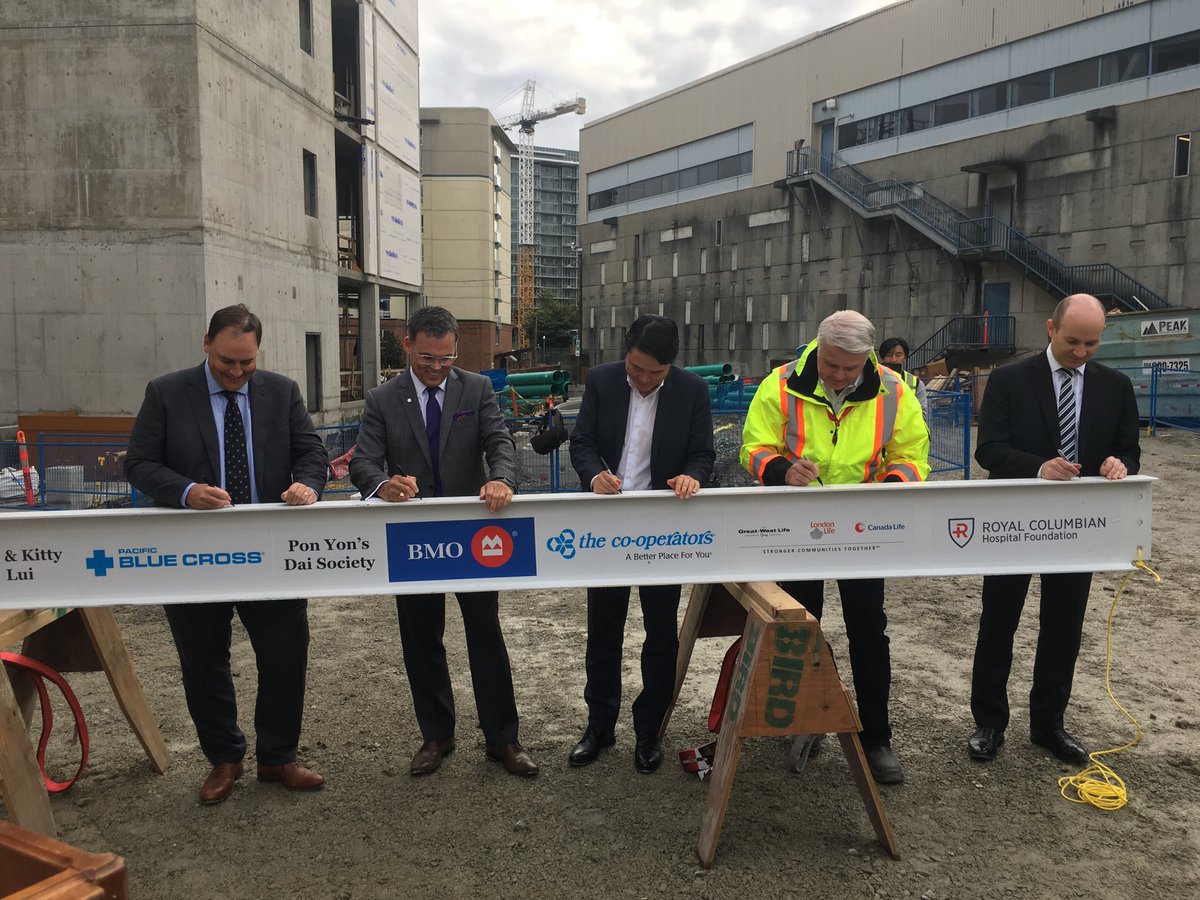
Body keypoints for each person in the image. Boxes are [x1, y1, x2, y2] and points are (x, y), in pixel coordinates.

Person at [124, 304, 328, 805]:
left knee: (285, 655)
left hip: (270, 551)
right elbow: (139, 463)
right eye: (226, 362)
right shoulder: (167, 393)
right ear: (206, 345)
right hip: (194, 554)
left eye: (247, 363)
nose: (237, 373)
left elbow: (311, 452)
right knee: (203, 660)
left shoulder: (282, 392)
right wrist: (186, 490)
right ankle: (224, 758)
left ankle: (277, 757)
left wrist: (307, 483)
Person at [740, 310, 929, 784]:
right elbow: (753, 447)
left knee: (869, 630)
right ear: (818, 347)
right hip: (796, 526)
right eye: (831, 365)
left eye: (850, 367)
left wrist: (892, 486)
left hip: (864, 529)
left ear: (868, 358)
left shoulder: (894, 390)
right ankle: (803, 721)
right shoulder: (780, 383)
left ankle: (876, 738)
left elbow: (912, 454)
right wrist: (782, 470)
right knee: (798, 628)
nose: (840, 375)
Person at [349, 306, 538, 778]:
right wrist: (383, 485)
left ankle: (503, 738)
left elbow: (499, 442)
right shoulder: (381, 399)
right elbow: (363, 461)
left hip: (472, 533)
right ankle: (436, 736)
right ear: (408, 345)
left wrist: (501, 479)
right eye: (427, 358)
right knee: (421, 638)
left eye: (447, 358)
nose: (437, 368)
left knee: (486, 635)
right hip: (413, 535)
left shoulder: (477, 388)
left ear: (456, 350)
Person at [967, 294, 1140, 764]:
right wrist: (1039, 467)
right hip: (1013, 521)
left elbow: (1129, 450)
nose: (1081, 352)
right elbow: (989, 449)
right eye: (1072, 341)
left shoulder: (1116, 386)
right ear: (1050, 328)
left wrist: (1119, 464)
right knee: (998, 622)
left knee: (1063, 627)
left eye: (1091, 343)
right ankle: (989, 722)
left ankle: (1048, 725)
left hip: (1077, 526)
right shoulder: (1008, 380)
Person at [568, 315, 714, 773]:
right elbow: (582, 442)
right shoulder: (602, 381)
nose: (645, 379)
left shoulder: (692, 390)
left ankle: (649, 729)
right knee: (603, 630)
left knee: (661, 632)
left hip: (661, 526)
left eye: (656, 372)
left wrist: (692, 476)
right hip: (608, 523)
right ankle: (600, 726)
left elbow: (703, 453)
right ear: (625, 354)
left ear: (671, 365)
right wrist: (594, 475)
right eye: (636, 369)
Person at [878, 337, 929, 418]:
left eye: (898, 355)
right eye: (889, 355)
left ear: (905, 358)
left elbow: (923, 415)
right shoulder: (873, 379)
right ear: (882, 358)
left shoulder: (916, 383)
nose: (894, 359)